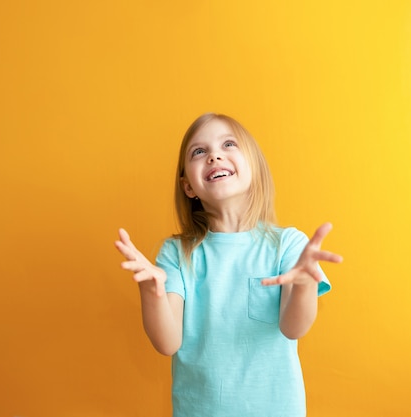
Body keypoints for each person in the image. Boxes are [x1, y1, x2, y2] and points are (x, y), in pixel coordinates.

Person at [114, 112, 343, 417]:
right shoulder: (176, 253)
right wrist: (150, 291)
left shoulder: (288, 245)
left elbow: (293, 327)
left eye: (228, 144)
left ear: (254, 169)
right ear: (188, 187)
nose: (214, 156)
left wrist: (304, 286)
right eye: (199, 152)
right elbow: (167, 343)